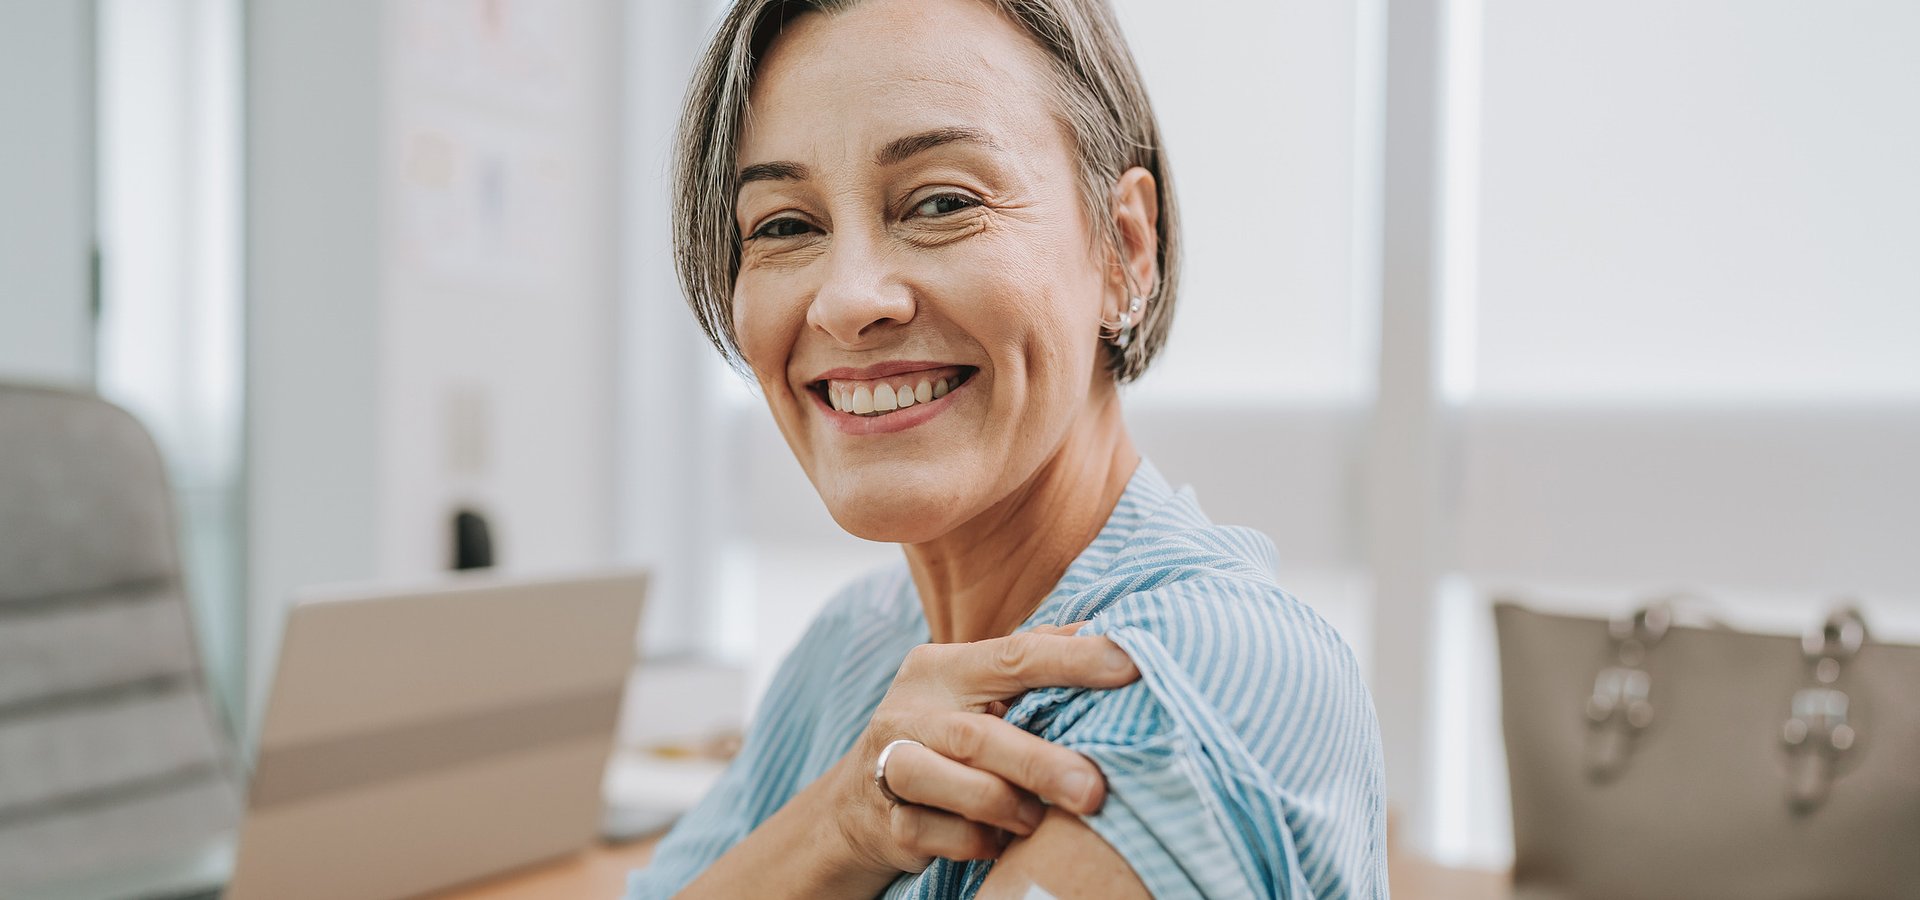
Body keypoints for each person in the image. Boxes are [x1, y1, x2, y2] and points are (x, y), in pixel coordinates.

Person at [628, 0, 1386, 896]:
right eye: (785, 225)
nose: (847, 299)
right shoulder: (854, 643)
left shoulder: (1198, 682)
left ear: (1126, 252)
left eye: (943, 202)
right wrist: (837, 820)